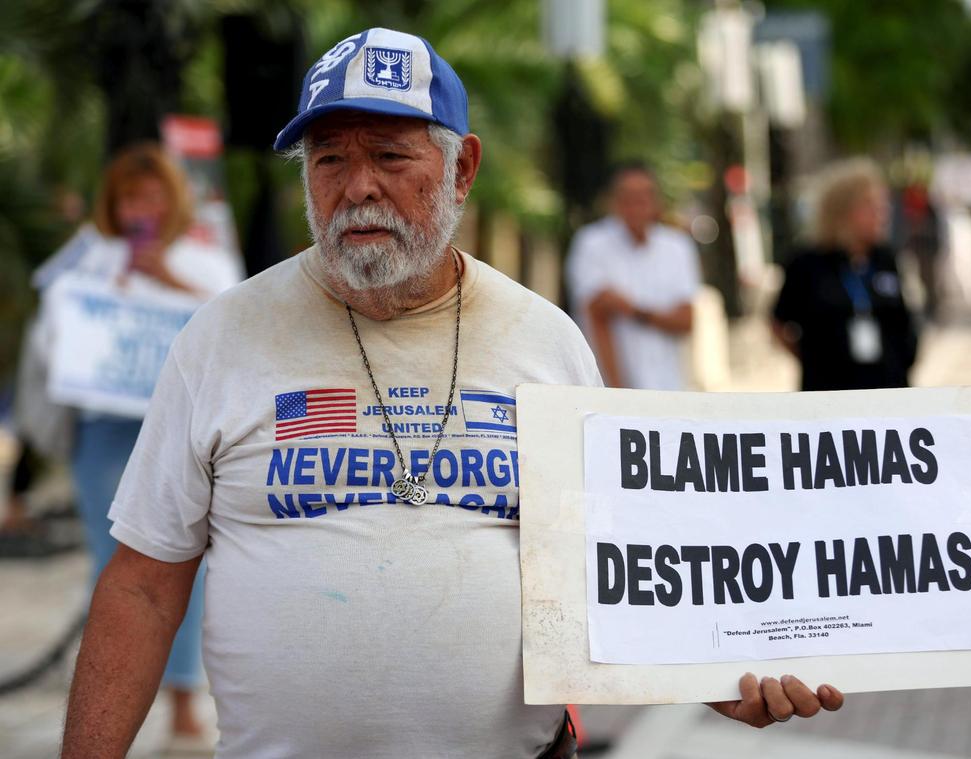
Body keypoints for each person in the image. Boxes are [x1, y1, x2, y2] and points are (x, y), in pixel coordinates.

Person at [61, 28, 844, 758]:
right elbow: (143, 586)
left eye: (392, 157)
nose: (357, 187)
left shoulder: (545, 340)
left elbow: (623, 565)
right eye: (328, 160)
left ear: (462, 167)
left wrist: (719, 678)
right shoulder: (222, 338)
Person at [41, 144, 242, 749]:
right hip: (105, 431)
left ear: (173, 201)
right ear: (113, 203)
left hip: (183, 429)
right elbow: (53, 326)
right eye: (130, 196)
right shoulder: (87, 256)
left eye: (152, 196)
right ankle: (111, 700)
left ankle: (184, 700)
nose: (141, 207)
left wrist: (168, 280)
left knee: (182, 569)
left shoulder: (204, 259)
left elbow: (237, 327)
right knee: (120, 566)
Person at [772, 158, 918, 391]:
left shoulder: (885, 259)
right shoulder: (807, 264)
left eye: (882, 205)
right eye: (870, 205)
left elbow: (903, 321)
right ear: (843, 211)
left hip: (887, 387)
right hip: (830, 391)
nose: (881, 213)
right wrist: (813, 358)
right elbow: (778, 322)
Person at [565, 162, 702, 389]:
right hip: (608, 388)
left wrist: (632, 309)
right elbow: (596, 315)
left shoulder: (677, 247)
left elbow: (686, 320)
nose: (636, 205)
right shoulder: (591, 243)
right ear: (613, 201)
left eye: (644, 196)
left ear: (657, 200)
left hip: (668, 386)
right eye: (627, 197)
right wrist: (618, 392)